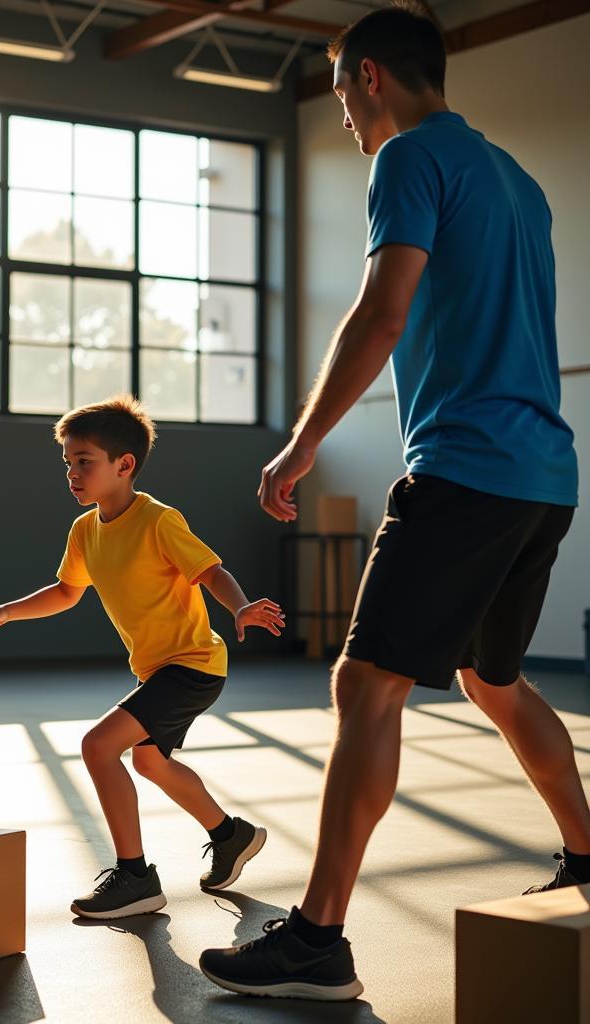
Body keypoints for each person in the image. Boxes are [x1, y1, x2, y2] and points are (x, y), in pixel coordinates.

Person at [199, 5, 586, 1001]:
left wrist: (300, 442)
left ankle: (316, 938)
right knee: (491, 679)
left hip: (466, 465)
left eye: (338, 95)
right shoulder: (520, 182)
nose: (341, 118)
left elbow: (382, 312)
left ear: (371, 76)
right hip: (544, 475)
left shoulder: (409, 158)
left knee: (363, 683)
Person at [0, 395, 283, 919]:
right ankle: (231, 835)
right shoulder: (86, 530)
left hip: (193, 664)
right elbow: (67, 592)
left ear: (124, 465)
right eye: (67, 462)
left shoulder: (158, 520)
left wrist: (242, 606)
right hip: (159, 669)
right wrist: (6, 612)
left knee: (97, 746)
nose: (72, 472)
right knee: (150, 761)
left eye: (84, 461)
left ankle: (136, 877)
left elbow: (210, 571)